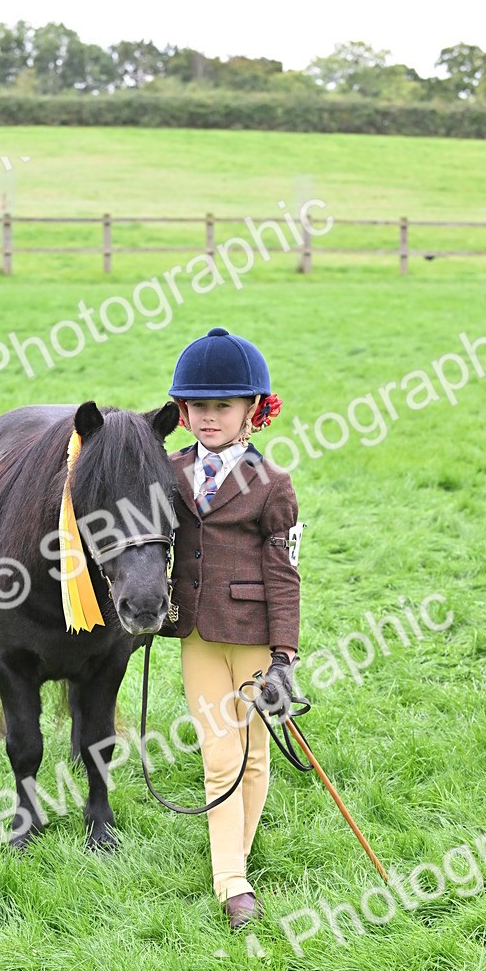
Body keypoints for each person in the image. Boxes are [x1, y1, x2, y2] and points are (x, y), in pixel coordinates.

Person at [161, 326, 302, 929]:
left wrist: (284, 657)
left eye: (223, 405)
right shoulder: (169, 471)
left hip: (252, 637)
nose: (208, 417)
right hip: (196, 635)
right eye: (197, 405)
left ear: (252, 411)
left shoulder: (273, 485)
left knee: (254, 756)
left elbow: (285, 573)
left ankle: (231, 863)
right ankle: (233, 882)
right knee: (221, 756)